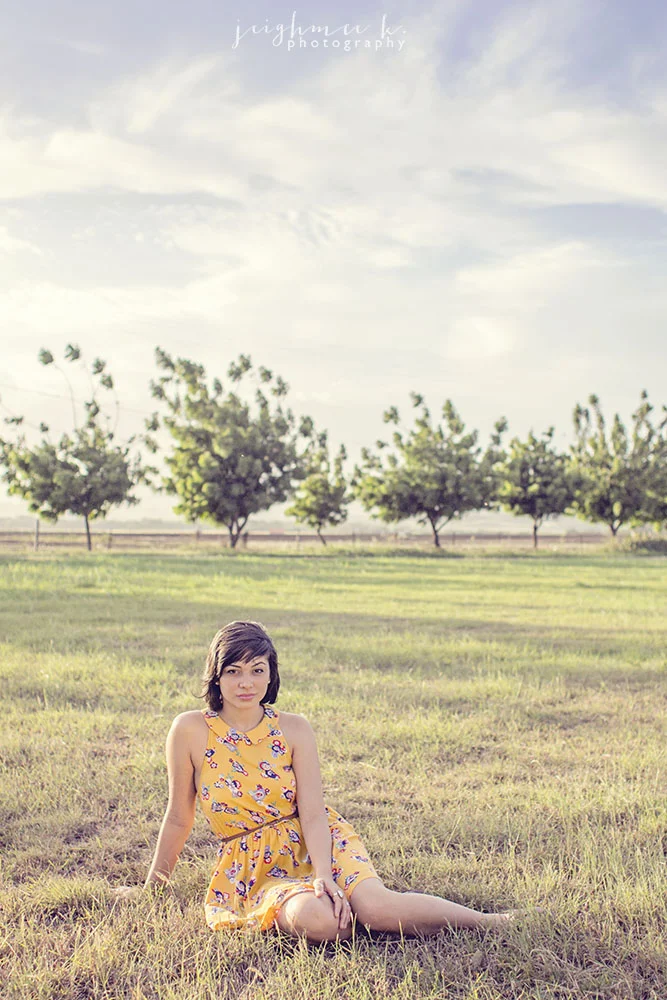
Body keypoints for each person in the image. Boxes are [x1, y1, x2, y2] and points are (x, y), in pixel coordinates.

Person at [112, 621, 527, 941]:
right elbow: (178, 817)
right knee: (320, 922)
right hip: (253, 865)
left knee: (379, 908)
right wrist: (154, 888)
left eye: (258, 670)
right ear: (216, 675)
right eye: (234, 670)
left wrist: (325, 875)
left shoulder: (294, 728)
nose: (246, 683)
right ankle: (348, 917)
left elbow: (311, 811)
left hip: (318, 840)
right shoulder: (189, 729)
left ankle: (489, 922)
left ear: (271, 674)